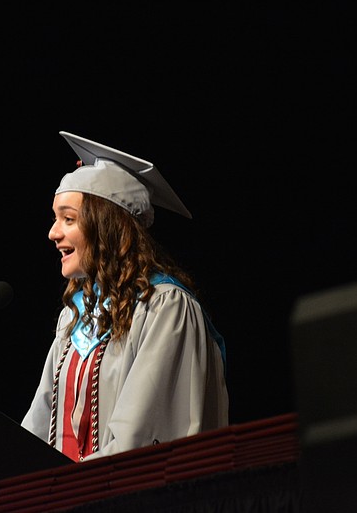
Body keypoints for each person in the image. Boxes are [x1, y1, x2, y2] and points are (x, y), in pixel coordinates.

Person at [21, 131, 229, 463]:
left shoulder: (164, 309)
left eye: (68, 219)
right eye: (55, 218)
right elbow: (37, 424)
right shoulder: (75, 318)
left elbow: (140, 436)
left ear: (108, 227)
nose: (53, 232)